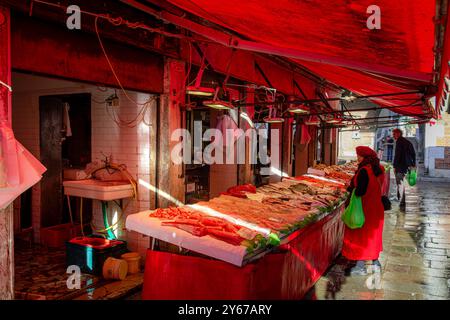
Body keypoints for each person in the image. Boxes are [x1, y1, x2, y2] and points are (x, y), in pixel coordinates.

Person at [342, 146, 385, 276]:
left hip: (363, 208)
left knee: (360, 237)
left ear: (365, 157)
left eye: (359, 156)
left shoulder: (364, 171)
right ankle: (375, 263)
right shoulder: (380, 169)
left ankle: (360, 265)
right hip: (376, 208)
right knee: (374, 236)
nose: (357, 158)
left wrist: (349, 188)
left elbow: (360, 191)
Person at [392, 128, 416, 211]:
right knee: (401, 183)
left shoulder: (399, 142)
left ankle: (402, 201)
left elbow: (397, 155)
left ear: (398, 134)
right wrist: (413, 164)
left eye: (394, 134)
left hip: (400, 166)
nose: (393, 136)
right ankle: (401, 199)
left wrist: (394, 166)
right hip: (407, 166)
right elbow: (413, 153)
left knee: (400, 183)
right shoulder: (408, 142)